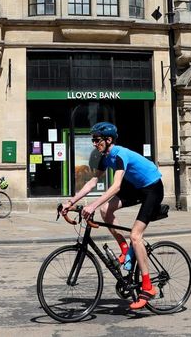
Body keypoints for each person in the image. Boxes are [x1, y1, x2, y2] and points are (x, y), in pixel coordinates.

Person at [62, 122, 164, 311]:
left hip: (152, 189)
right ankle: (124, 249)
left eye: (97, 140)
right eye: (93, 140)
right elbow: (92, 182)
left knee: (136, 235)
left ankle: (148, 287)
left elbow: (116, 186)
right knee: (105, 211)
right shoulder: (104, 157)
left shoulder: (119, 154)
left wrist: (92, 204)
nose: (94, 143)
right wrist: (71, 202)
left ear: (109, 140)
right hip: (135, 188)